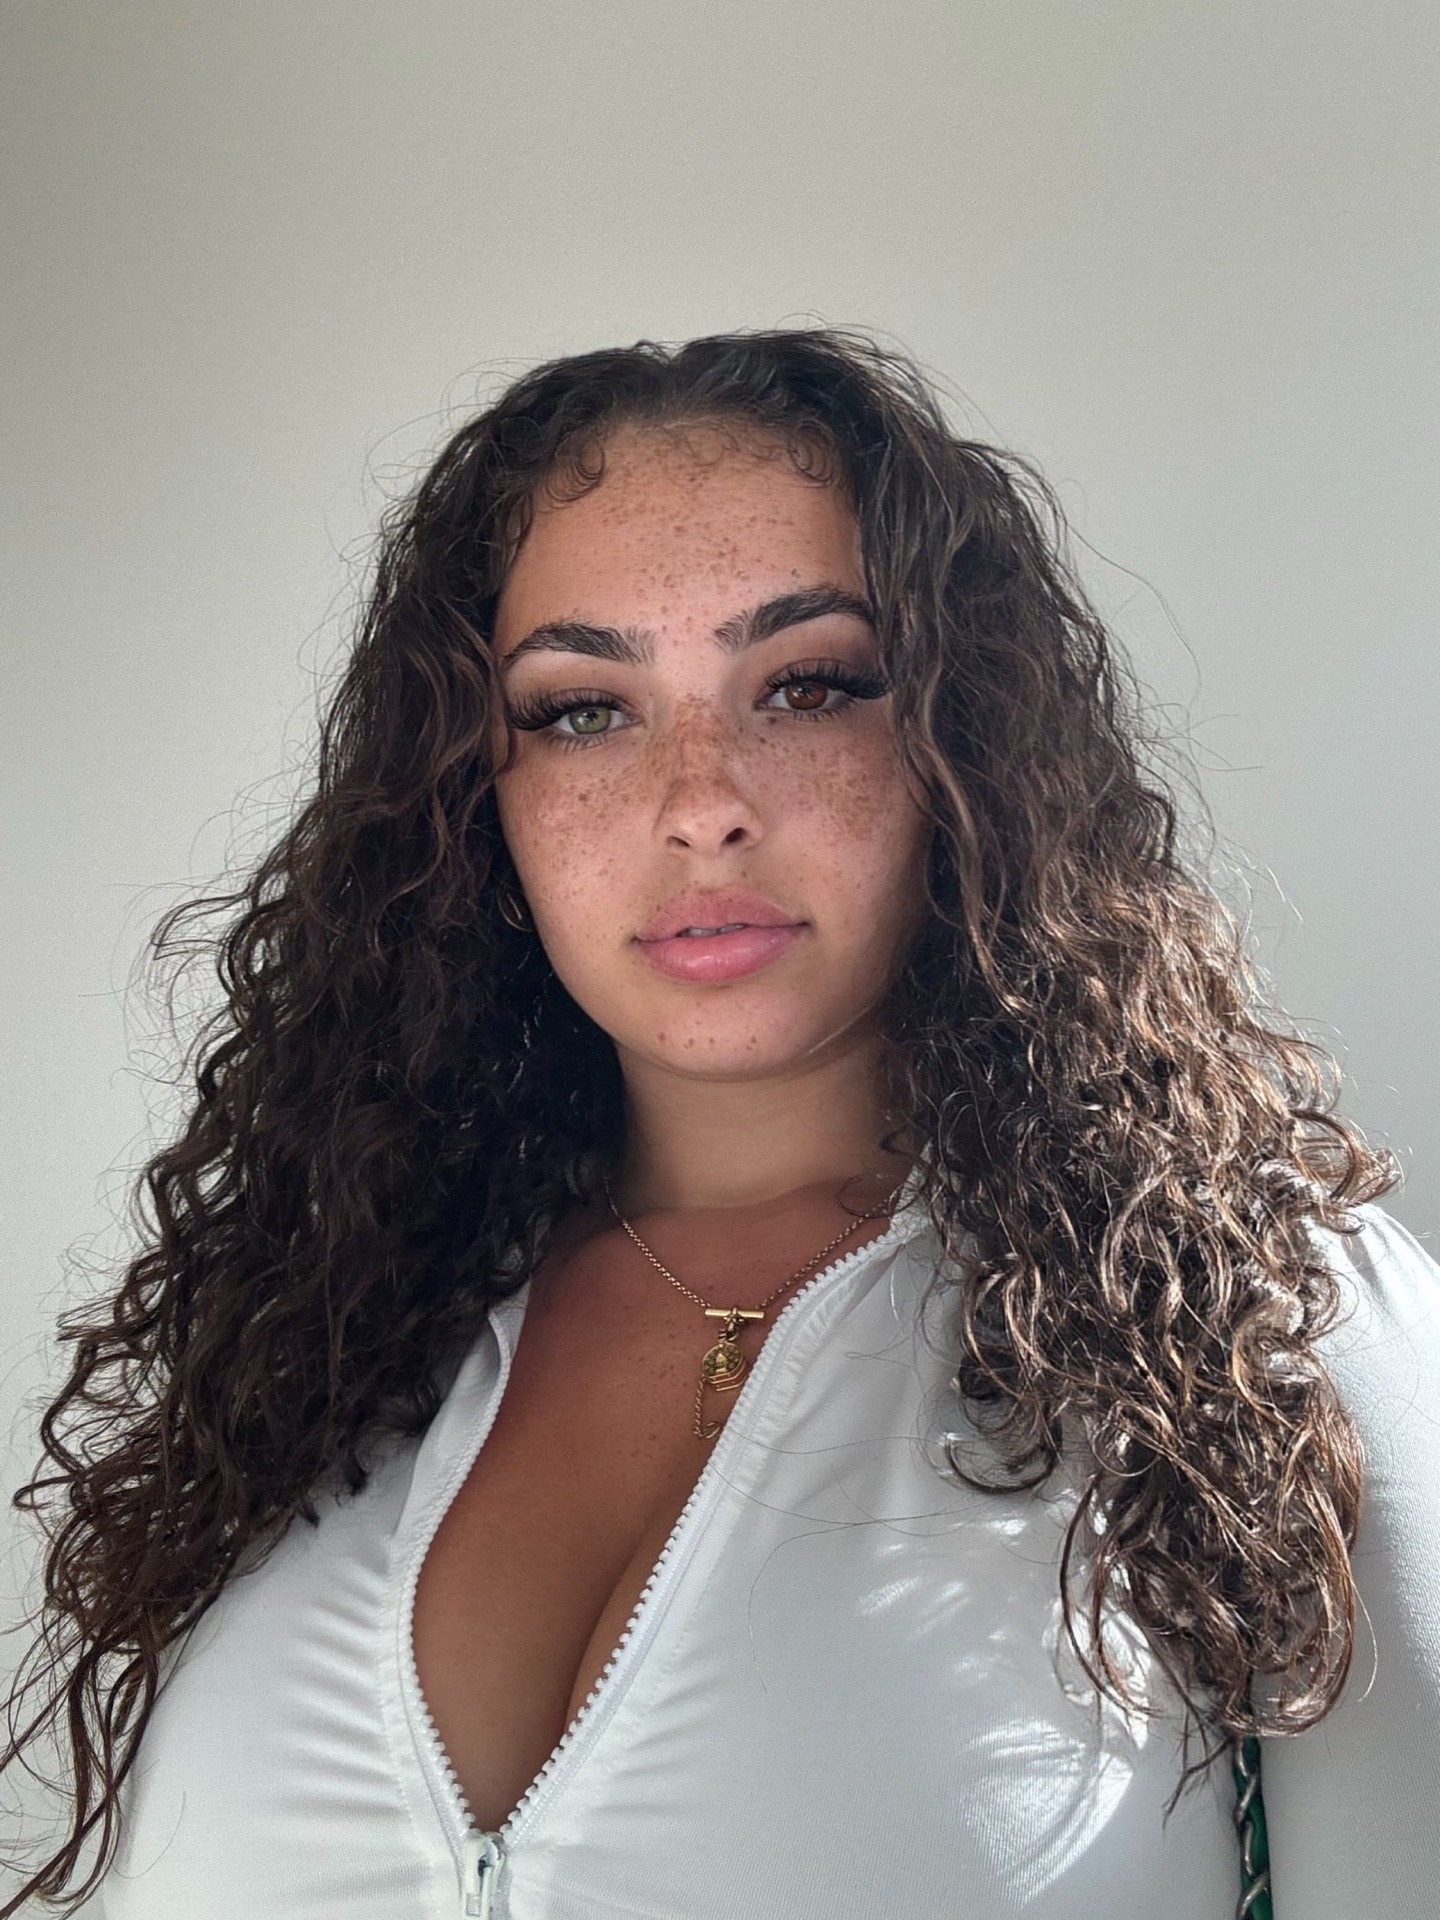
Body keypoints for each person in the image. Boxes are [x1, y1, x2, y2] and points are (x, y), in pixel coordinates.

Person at [4, 329, 1438, 1920]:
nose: (702, 801)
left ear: (964, 743)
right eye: (583, 710)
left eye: (808, 685)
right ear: (474, 796)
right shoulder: (311, 1348)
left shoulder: (1259, 1333)